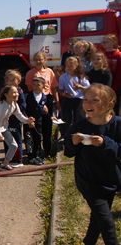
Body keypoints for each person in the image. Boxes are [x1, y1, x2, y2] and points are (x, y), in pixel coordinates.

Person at [64, 84, 121, 245]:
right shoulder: (79, 126)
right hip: (88, 181)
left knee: (98, 217)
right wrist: (73, 142)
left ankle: (88, 241)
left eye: (94, 100)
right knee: (106, 220)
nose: (88, 104)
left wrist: (105, 143)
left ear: (110, 104)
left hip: (110, 179)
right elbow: (68, 152)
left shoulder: (117, 124)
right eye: (86, 100)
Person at [25, 51, 59, 158]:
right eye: (36, 59)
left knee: (47, 127)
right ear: (33, 61)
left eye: (41, 59)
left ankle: (48, 151)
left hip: (48, 99)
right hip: (36, 100)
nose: (39, 61)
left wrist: (57, 102)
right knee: (37, 128)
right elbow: (31, 90)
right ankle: (37, 151)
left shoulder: (50, 72)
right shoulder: (30, 73)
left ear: (45, 60)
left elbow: (54, 88)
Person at [59, 57, 90, 138]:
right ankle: (65, 136)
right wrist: (65, 94)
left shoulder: (81, 77)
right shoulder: (63, 77)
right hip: (68, 99)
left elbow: (88, 88)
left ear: (76, 65)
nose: (69, 67)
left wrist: (80, 87)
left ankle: (78, 135)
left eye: (71, 65)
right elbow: (60, 90)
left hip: (79, 99)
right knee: (66, 119)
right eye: (67, 65)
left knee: (78, 118)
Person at [4, 70, 26, 168]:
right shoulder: (6, 92)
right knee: (7, 139)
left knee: (16, 139)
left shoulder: (19, 92)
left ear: (19, 81)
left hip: (15, 119)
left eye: (14, 80)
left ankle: (18, 159)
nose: (12, 82)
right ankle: (8, 158)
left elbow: (23, 105)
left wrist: (13, 111)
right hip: (5, 120)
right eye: (10, 80)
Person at [24, 76, 49, 165]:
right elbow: (25, 109)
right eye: (34, 85)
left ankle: (36, 155)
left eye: (38, 85)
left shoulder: (44, 97)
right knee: (29, 138)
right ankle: (30, 156)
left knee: (37, 138)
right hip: (29, 120)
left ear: (43, 86)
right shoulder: (28, 96)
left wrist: (44, 108)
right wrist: (28, 119)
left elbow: (42, 106)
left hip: (38, 121)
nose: (35, 87)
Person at [103, 34, 121, 115]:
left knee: (114, 107)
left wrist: (114, 87)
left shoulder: (118, 55)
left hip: (115, 86)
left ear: (114, 42)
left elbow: (119, 74)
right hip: (104, 86)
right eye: (103, 41)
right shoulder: (102, 55)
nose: (104, 43)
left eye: (106, 41)